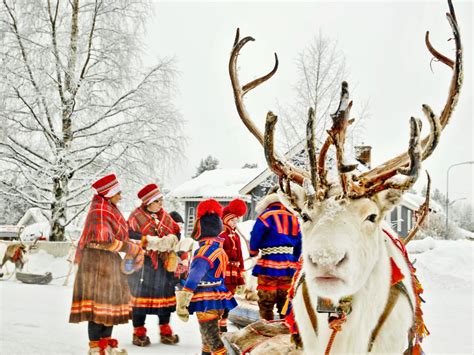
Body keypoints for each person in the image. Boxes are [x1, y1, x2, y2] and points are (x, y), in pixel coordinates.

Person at [70, 174, 143, 355]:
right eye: (118, 192)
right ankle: (95, 348)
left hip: (108, 262)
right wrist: (130, 248)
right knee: (98, 307)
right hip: (96, 264)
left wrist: (135, 244)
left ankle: (106, 345)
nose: (120, 196)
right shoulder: (99, 211)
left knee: (109, 307)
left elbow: (118, 237)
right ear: (109, 193)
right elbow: (103, 241)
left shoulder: (109, 208)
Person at [175, 199, 237, 355]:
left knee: (212, 338)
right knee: (208, 335)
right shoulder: (219, 250)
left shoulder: (203, 252)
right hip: (218, 296)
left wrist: (184, 298)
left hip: (206, 299)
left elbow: (195, 275)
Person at [127, 183, 181, 346]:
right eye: (158, 201)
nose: (161, 204)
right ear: (148, 202)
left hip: (163, 265)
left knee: (165, 298)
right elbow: (128, 234)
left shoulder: (165, 216)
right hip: (143, 265)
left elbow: (177, 231)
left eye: (161, 201)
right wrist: (151, 242)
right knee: (140, 300)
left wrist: (171, 240)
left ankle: (165, 330)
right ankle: (139, 332)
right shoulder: (135, 217)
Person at [249, 189, 302, 321]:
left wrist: (253, 251)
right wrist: (294, 258)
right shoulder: (294, 217)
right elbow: (300, 241)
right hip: (289, 264)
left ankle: (267, 324)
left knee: (267, 298)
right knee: (285, 297)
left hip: (269, 263)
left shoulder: (266, 216)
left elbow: (256, 235)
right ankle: (285, 325)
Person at [219, 198, 247, 332]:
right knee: (223, 297)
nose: (235, 223)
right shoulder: (222, 235)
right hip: (225, 271)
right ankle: (220, 325)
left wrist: (242, 271)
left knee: (230, 297)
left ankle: (223, 322)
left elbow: (241, 255)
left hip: (234, 271)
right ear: (225, 220)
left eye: (236, 220)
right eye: (232, 220)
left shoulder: (236, 236)